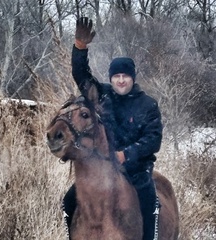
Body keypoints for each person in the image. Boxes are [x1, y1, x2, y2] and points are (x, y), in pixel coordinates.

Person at [63, 17, 163, 240]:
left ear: (132, 78)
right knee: (69, 201)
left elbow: (153, 140)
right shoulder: (102, 96)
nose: (120, 81)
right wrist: (80, 48)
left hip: (136, 169)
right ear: (111, 78)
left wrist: (126, 155)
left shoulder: (147, 105)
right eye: (116, 76)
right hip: (103, 169)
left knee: (150, 202)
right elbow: (82, 76)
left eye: (124, 76)